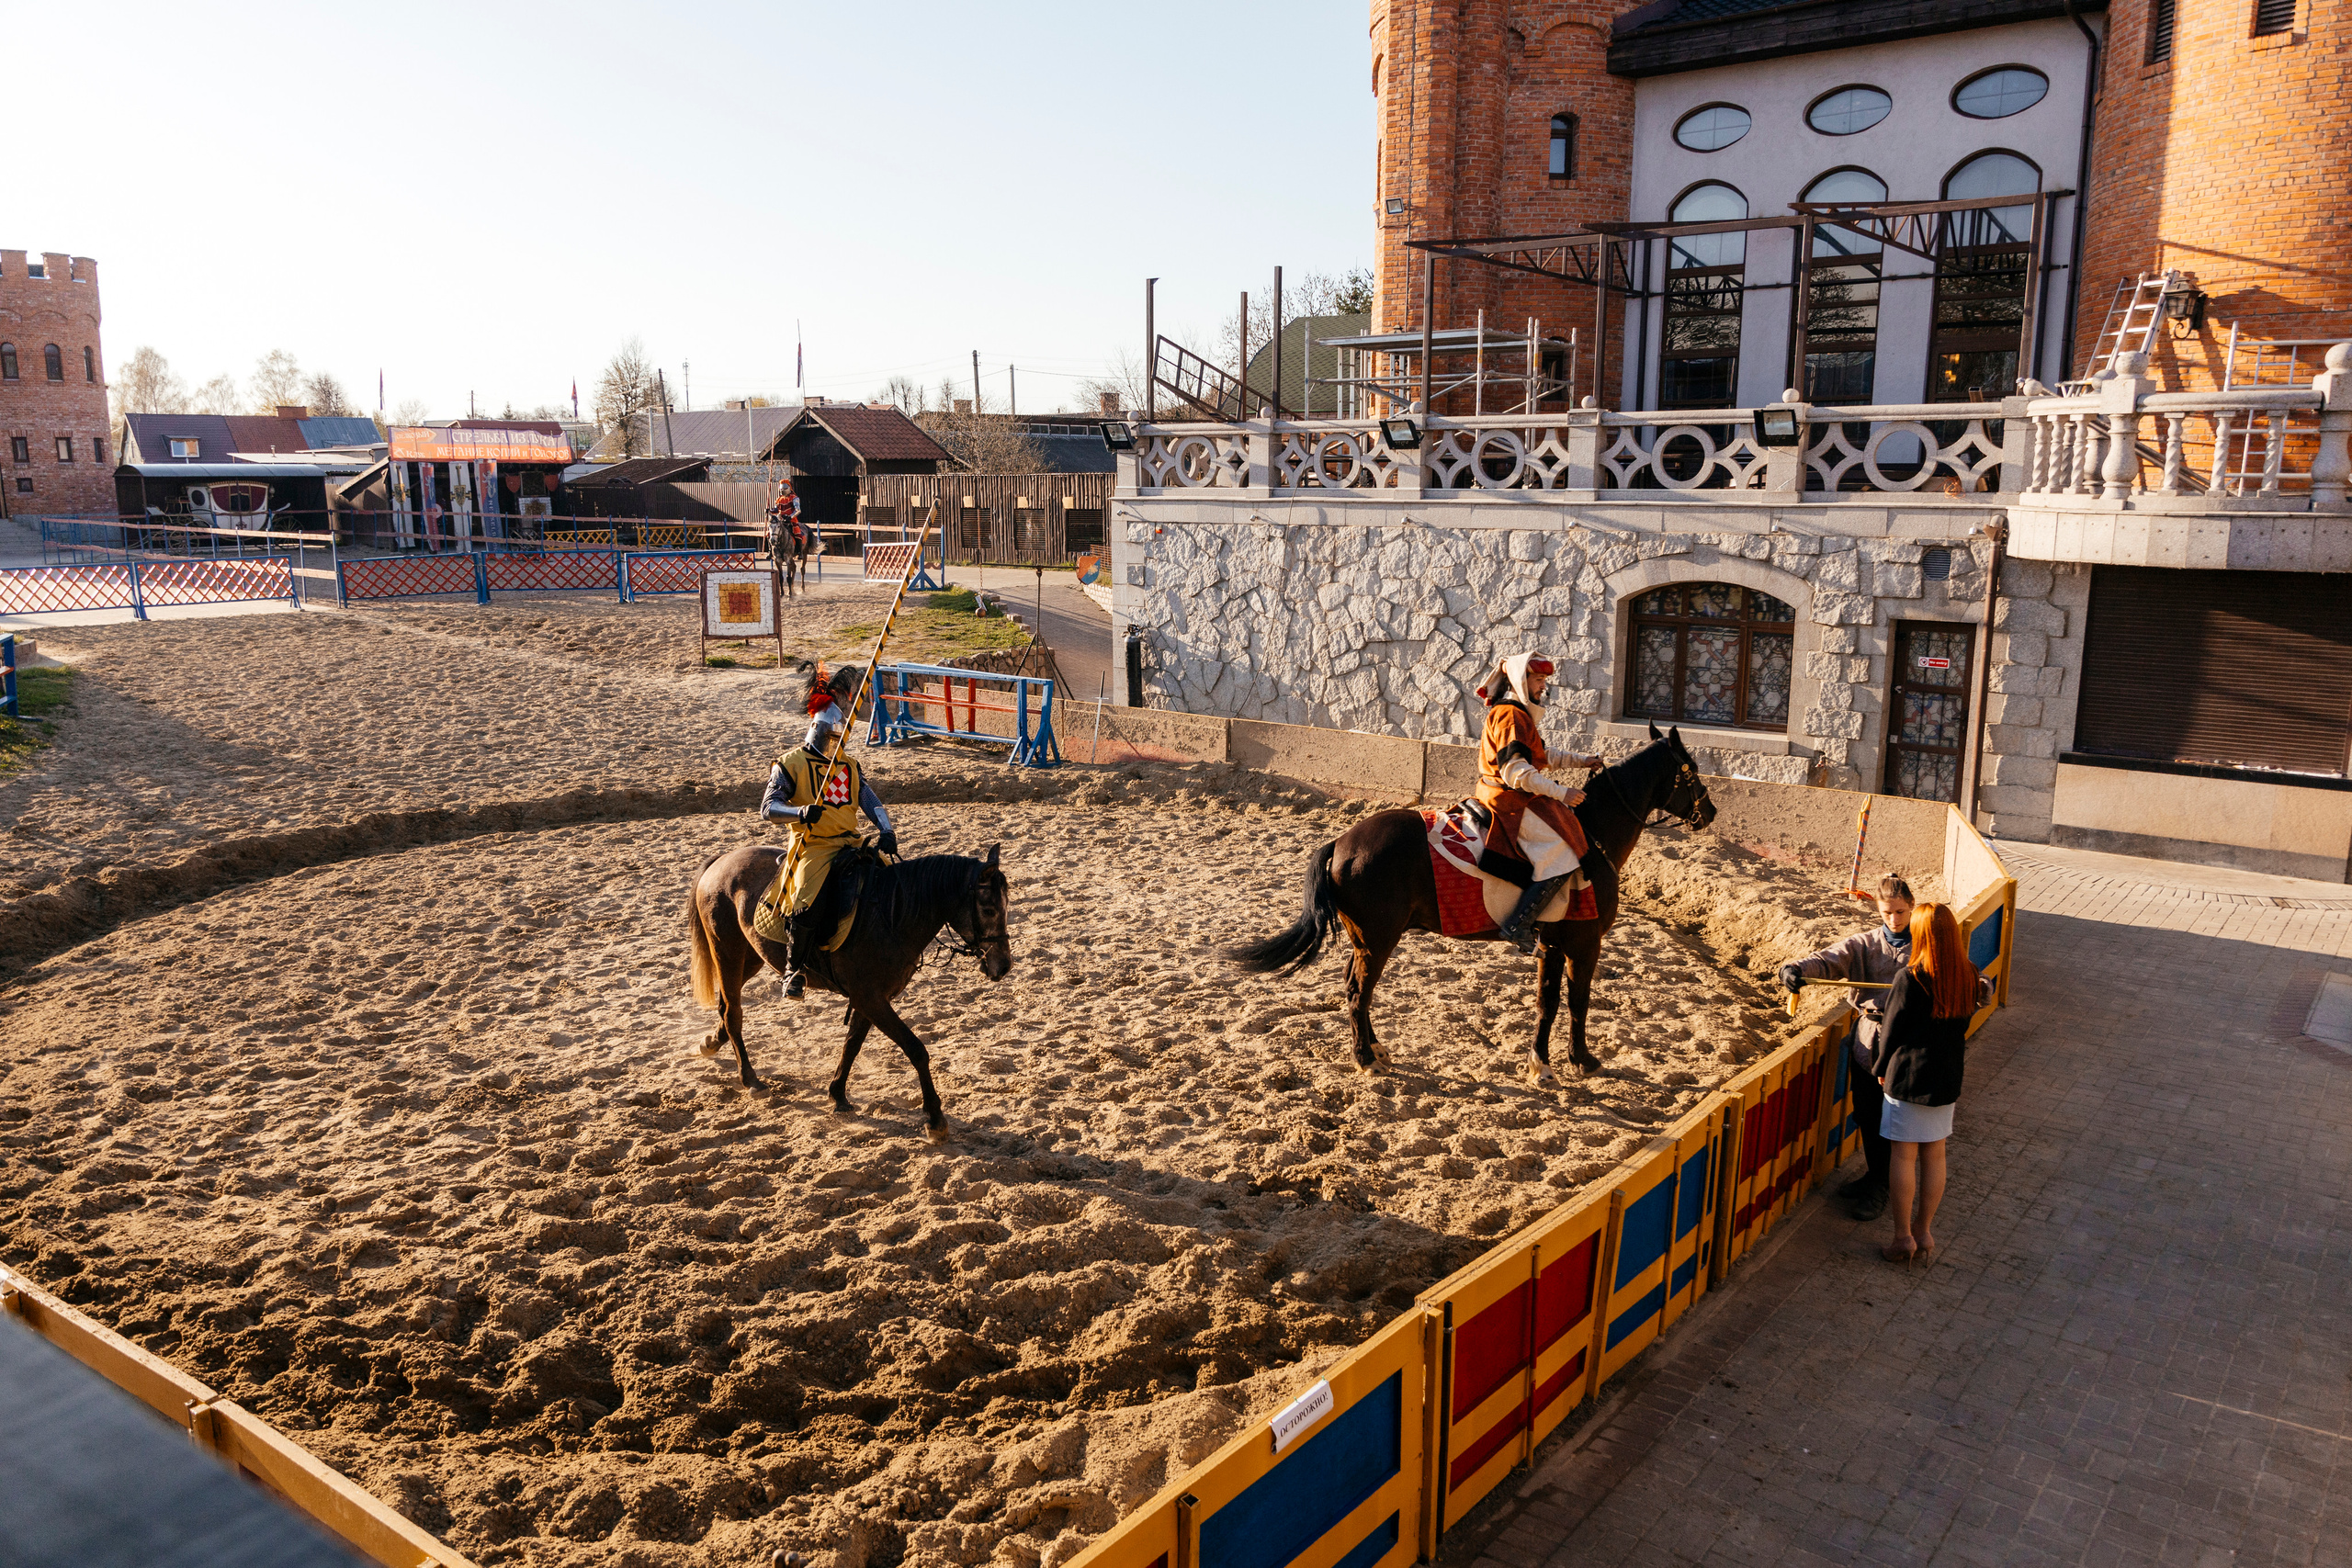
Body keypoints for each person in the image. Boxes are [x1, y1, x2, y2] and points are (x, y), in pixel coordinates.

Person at [756, 666, 899, 998]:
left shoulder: (847, 765)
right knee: (807, 901)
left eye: (839, 738)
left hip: (850, 840)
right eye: (831, 737)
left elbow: (869, 798)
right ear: (816, 730)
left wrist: (886, 829)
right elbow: (768, 807)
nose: (836, 743)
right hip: (813, 846)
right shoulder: (791, 763)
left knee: (893, 881)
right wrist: (800, 812)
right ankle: (793, 971)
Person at [1778, 873, 1914, 1222]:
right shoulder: (1865, 944)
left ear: (1912, 907)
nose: (1894, 920)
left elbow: (1967, 976)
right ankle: (1875, 1175)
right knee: (1868, 1115)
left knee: (1894, 1120)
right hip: (1868, 1043)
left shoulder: (1927, 945)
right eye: (1887, 913)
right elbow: (1827, 959)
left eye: (1900, 912)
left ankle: (1883, 1187)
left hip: (1906, 1047)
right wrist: (1794, 969)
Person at [1869, 902, 1991, 1266]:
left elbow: (1891, 1031)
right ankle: (1924, 1231)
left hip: (1909, 1076)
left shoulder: (1911, 977)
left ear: (1920, 934)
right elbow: (1964, 1023)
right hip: (1947, 1076)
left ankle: (1902, 1237)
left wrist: (1879, 1067)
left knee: (1903, 1155)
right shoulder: (1968, 973)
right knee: (1935, 1155)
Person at [1472, 651, 1608, 953]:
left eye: (1544, 680)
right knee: (1563, 852)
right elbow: (1516, 772)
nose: (1542, 686)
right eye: (1537, 679)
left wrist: (1582, 761)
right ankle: (1518, 924)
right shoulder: (1510, 716)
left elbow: (1543, 756)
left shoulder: (1519, 713)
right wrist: (1562, 793)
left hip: (1511, 794)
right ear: (1521, 680)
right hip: (1507, 800)